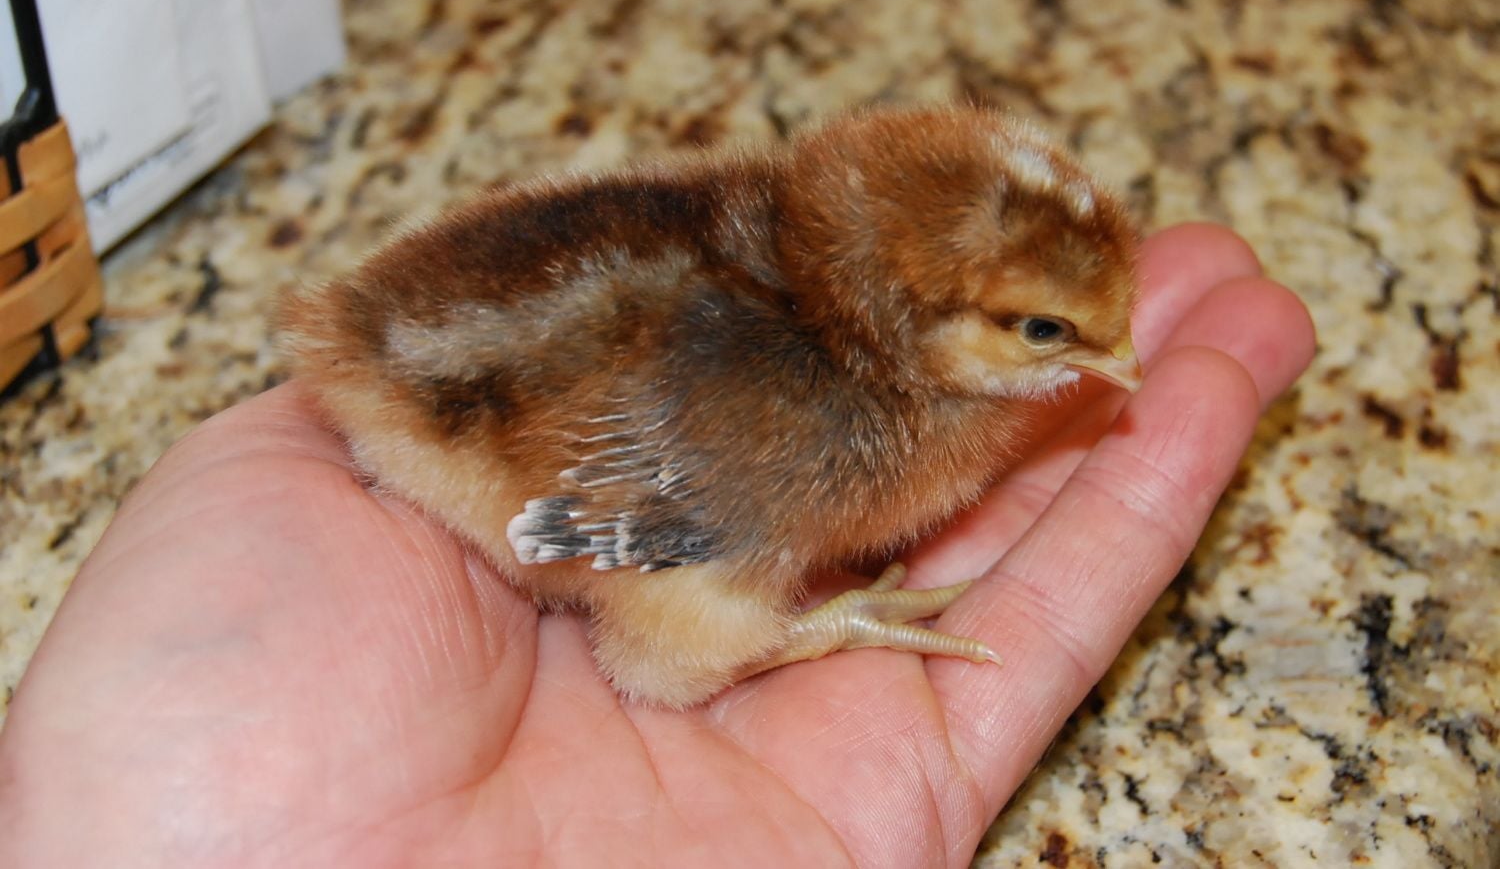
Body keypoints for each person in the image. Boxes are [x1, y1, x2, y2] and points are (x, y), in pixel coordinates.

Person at [0, 224, 1313, 867]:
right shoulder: (846, 427)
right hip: (568, 477)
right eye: (1046, 334)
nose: (1106, 367)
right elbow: (647, 601)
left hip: (524, 420)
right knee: (731, 533)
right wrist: (785, 611)